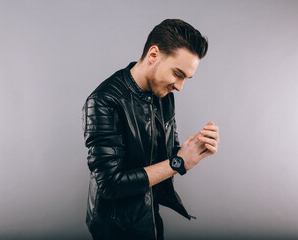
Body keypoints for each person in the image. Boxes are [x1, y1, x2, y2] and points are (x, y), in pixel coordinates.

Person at [82, 19, 220, 240]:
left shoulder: (164, 94)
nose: (179, 86)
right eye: (178, 73)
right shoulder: (103, 101)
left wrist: (194, 149)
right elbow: (110, 185)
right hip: (115, 229)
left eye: (187, 78)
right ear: (153, 55)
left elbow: (167, 158)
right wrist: (179, 162)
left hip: (150, 219)